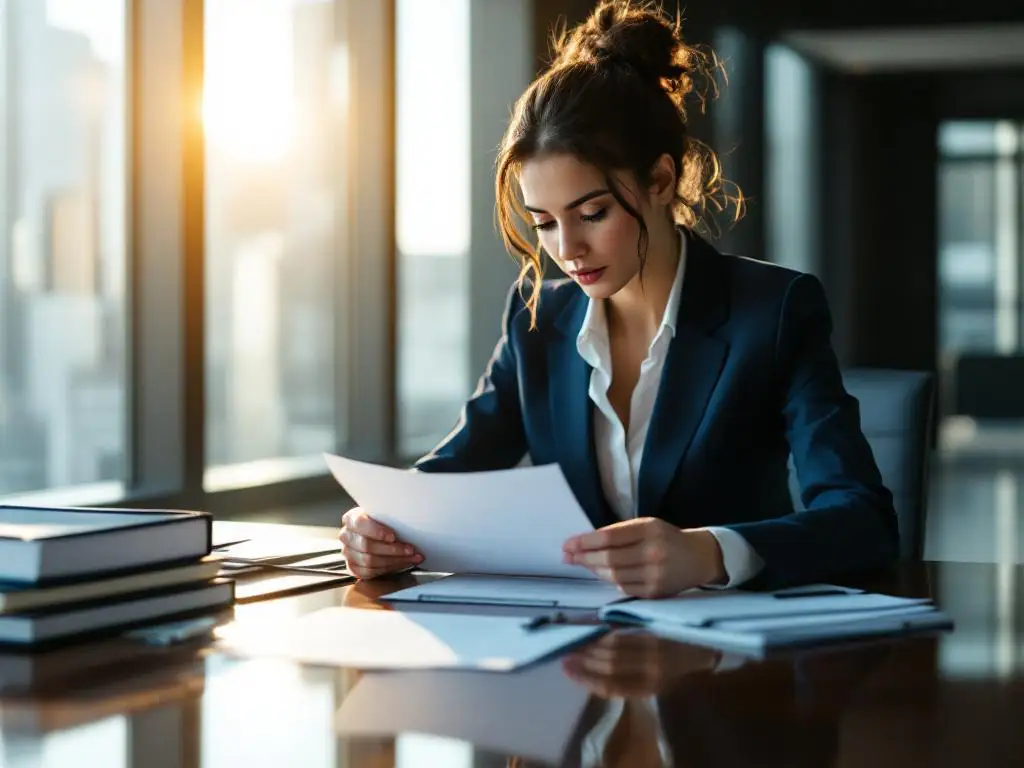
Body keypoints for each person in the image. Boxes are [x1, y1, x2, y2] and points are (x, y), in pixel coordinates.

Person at [339, 0, 898, 594]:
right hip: (579, 651)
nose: (568, 248)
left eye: (592, 213)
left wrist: (708, 552)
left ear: (659, 181)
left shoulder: (775, 311)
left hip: (733, 666)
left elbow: (863, 519)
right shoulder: (539, 320)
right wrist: (380, 526)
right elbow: (443, 484)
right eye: (545, 223)